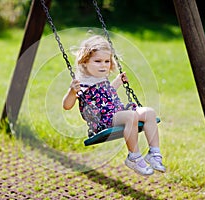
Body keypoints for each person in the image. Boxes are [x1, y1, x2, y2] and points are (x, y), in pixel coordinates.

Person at [62, 35, 166, 176]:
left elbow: (105, 96)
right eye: (98, 61)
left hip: (117, 113)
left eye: (106, 61)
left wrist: (117, 82)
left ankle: (154, 153)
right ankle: (133, 157)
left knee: (149, 112)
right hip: (103, 121)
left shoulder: (101, 78)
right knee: (130, 116)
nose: (103, 65)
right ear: (85, 62)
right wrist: (71, 91)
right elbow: (67, 106)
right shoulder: (82, 82)